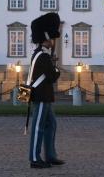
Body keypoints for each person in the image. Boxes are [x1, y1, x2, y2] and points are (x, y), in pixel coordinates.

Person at [28, 12, 65, 169]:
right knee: (38, 126)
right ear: (45, 38)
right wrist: (56, 68)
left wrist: (52, 63)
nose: (52, 41)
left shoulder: (42, 55)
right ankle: (35, 158)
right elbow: (52, 76)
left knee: (51, 124)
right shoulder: (42, 56)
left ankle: (50, 155)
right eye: (50, 38)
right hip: (42, 95)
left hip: (45, 95)